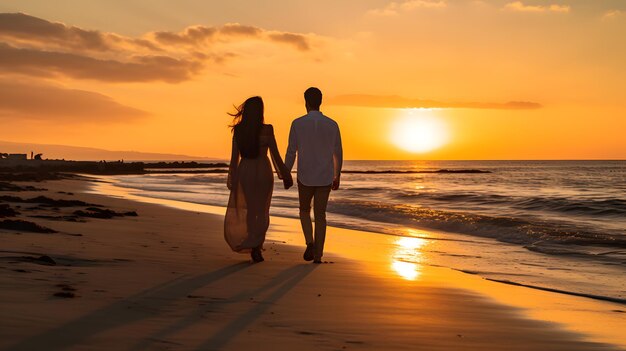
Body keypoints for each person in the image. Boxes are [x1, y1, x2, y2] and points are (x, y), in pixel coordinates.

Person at [224, 96, 293, 263]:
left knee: (250, 209)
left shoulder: (239, 130)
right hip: (263, 170)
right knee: (261, 210)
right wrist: (285, 174)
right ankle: (256, 246)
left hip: (246, 170)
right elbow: (275, 155)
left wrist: (232, 177)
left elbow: (234, 158)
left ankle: (252, 241)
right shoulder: (267, 129)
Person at [285, 87, 343, 264]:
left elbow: (291, 151)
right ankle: (318, 255)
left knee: (304, 210)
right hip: (324, 176)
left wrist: (286, 172)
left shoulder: (297, 123)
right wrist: (337, 174)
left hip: (305, 175)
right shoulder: (332, 124)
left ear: (306, 102)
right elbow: (338, 152)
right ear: (320, 102)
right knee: (320, 216)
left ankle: (310, 242)